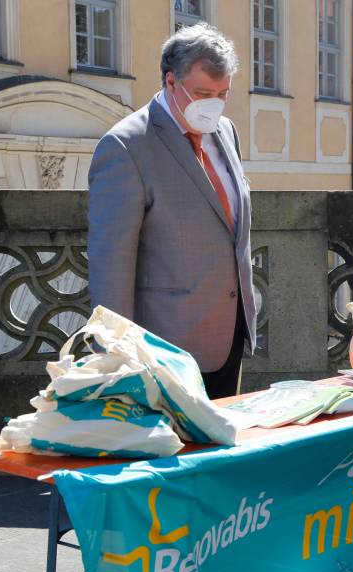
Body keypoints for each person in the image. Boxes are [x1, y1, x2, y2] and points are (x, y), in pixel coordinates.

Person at [87, 23, 256, 400]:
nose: (212, 104)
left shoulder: (225, 131)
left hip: (228, 337)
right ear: (169, 81)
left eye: (222, 94)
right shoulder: (125, 146)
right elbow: (110, 262)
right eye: (201, 93)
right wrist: (116, 357)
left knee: (223, 454)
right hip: (163, 350)